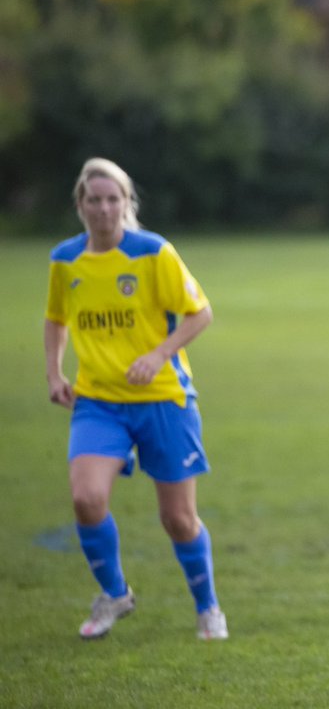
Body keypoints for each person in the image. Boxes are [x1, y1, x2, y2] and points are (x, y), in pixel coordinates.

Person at [44, 158, 227, 641]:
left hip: (164, 398)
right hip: (98, 400)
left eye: (113, 200)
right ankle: (115, 594)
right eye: (94, 200)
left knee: (178, 518)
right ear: (80, 205)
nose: (104, 209)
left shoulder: (152, 252)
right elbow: (56, 319)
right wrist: (52, 372)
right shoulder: (65, 260)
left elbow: (200, 313)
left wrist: (158, 354)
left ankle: (208, 607)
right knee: (86, 499)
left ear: (127, 204)